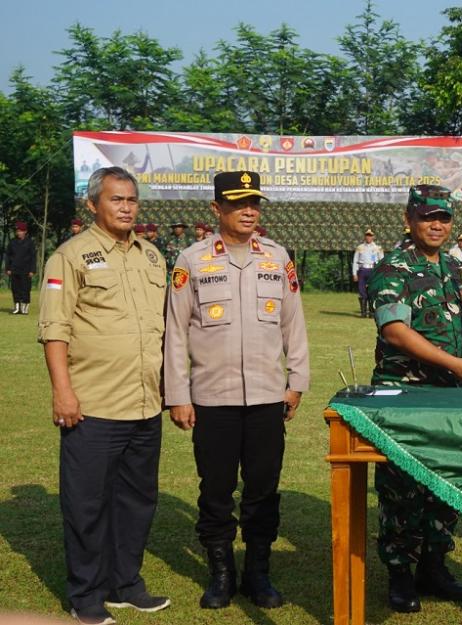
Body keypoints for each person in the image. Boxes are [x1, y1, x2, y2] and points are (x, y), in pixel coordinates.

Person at [164, 171, 310, 610]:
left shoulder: (277, 258)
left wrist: (297, 381)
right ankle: (222, 575)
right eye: (238, 203)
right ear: (216, 209)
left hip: (267, 397)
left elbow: (294, 325)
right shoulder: (191, 260)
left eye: (254, 203)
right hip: (213, 398)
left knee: (263, 489)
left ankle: (258, 573)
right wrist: (178, 394)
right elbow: (175, 332)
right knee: (216, 490)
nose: (249, 211)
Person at [38, 167, 171, 625]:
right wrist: (63, 392)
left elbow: (161, 328)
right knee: (87, 505)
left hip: (144, 404)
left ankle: (125, 584)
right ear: (92, 204)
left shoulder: (152, 256)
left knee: (137, 502)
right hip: (93, 404)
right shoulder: (69, 256)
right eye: (116, 199)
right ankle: (86, 594)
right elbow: (55, 329)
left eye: (132, 199)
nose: (126, 207)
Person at [366, 184, 462, 614]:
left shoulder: (457, 268)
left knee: (446, 483)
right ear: (409, 219)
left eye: (444, 217)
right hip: (406, 394)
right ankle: (400, 573)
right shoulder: (392, 267)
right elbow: (395, 331)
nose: (437, 225)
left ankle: (434, 566)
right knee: (402, 487)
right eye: (427, 217)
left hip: (450, 396)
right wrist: (454, 364)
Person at [5, 221, 36, 314]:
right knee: (15, 289)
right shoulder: (12, 242)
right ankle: (17, 308)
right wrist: (8, 268)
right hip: (14, 269)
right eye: (17, 231)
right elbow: (8, 256)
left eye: (21, 231)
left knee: (25, 289)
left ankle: (25, 308)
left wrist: (32, 270)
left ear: (25, 231)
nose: (18, 232)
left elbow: (33, 257)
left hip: (26, 270)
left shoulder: (30, 242)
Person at [353, 228, 384, 318]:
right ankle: (363, 312)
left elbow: (382, 261)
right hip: (362, 270)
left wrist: (381, 273)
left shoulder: (377, 248)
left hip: (373, 270)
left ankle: (371, 312)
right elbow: (355, 261)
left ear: (373, 237)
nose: (368, 237)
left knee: (372, 291)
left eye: (370, 235)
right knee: (362, 291)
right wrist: (354, 273)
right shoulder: (360, 247)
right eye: (367, 235)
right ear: (365, 236)